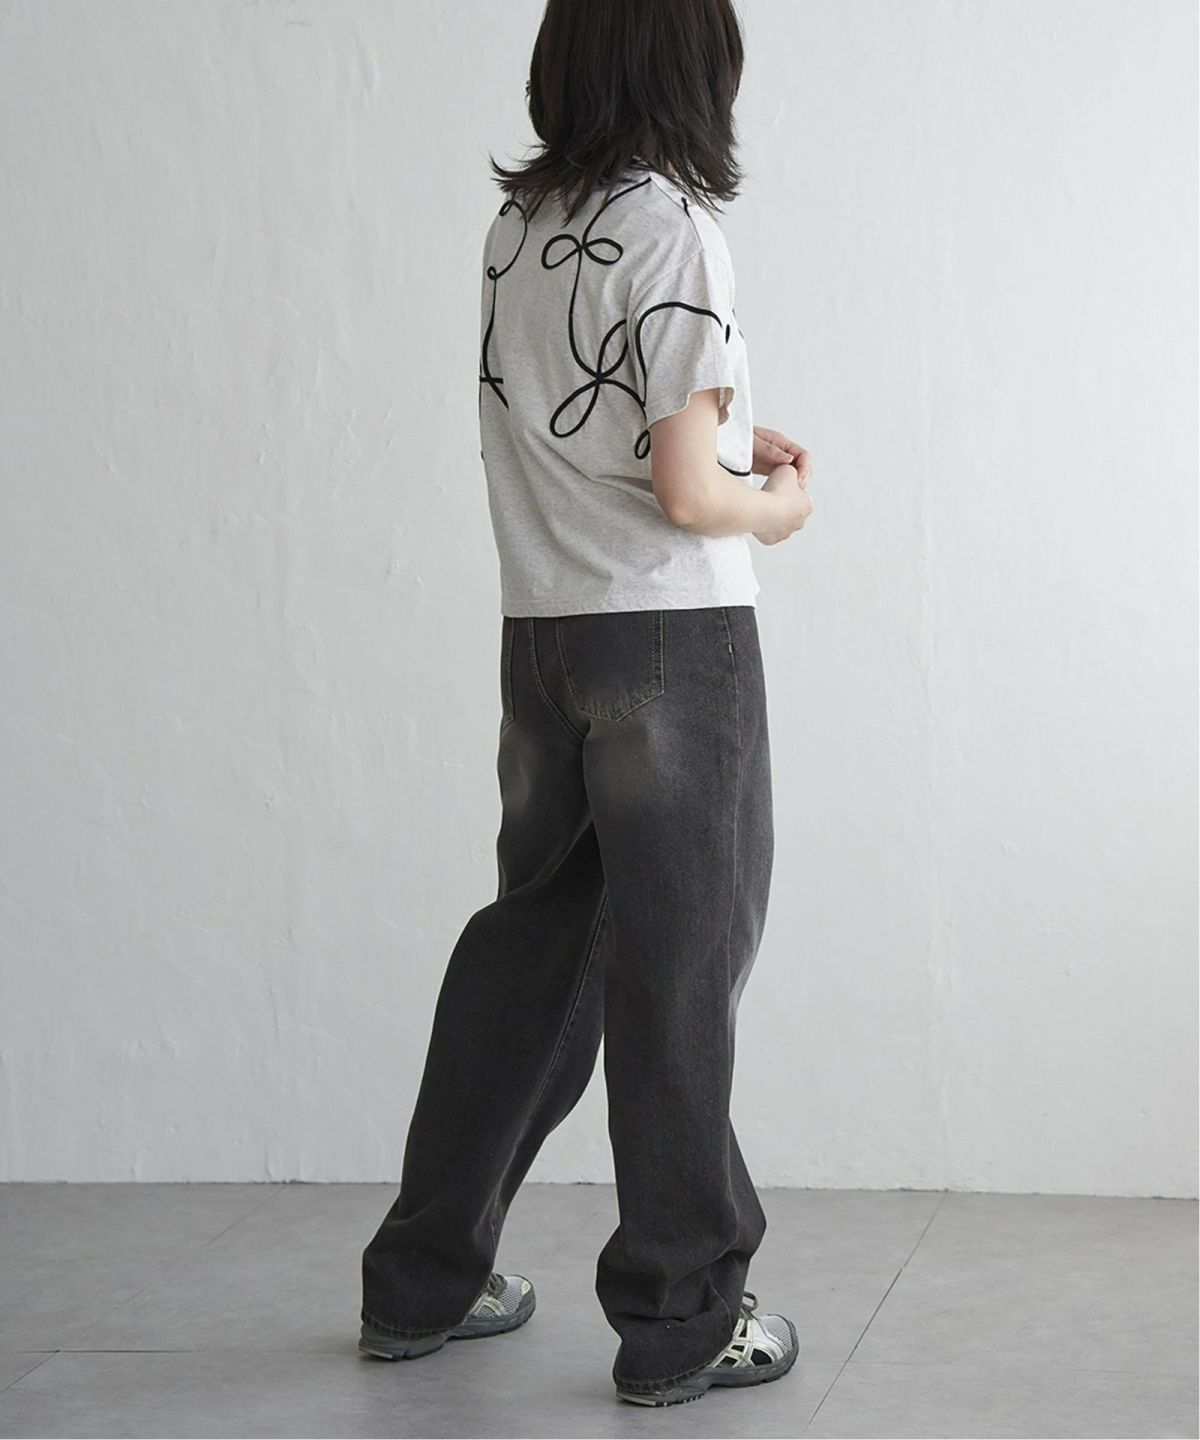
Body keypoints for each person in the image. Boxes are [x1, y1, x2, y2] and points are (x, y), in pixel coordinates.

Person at [360, 0, 814, 1409]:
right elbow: (686, 497)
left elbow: (601, 435)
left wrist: (725, 439)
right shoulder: (673, 226)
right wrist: (775, 503)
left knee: (534, 954)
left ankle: (421, 1282)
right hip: (673, 638)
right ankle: (682, 1315)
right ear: (693, 67)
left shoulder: (522, 225)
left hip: (547, 637)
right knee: (681, 968)